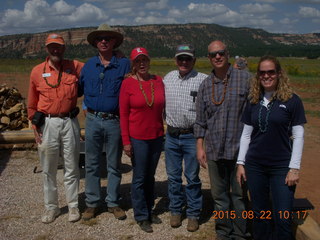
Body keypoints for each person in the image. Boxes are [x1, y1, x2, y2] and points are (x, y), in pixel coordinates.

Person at [236, 55, 306, 240]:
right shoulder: (253, 100)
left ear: (279, 74)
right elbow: (246, 135)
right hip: (255, 166)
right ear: (258, 75)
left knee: (282, 216)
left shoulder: (292, 101)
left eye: (271, 72)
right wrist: (241, 163)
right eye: (262, 72)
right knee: (260, 216)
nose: (266, 76)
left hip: (281, 167)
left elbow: (298, 136)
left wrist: (294, 168)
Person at [194, 40, 251, 239]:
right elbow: (200, 121)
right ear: (208, 58)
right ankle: (223, 232)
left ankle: (241, 234)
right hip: (214, 151)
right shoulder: (204, 86)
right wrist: (200, 146)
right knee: (220, 198)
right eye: (213, 54)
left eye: (221, 53)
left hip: (240, 152)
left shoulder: (245, 79)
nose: (217, 57)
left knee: (240, 197)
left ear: (227, 54)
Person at [27, 33, 84, 223]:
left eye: (58, 46)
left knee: (71, 165)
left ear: (64, 48)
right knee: (48, 168)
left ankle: (73, 206)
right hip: (47, 123)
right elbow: (31, 103)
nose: (55, 49)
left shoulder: (74, 66)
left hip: (69, 121)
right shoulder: (37, 71)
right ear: (46, 48)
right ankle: (51, 208)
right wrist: (34, 125)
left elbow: (95, 69)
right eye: (52, 46)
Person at [78, 24, 130, 221]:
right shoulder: (89, 65)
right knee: (91, 164)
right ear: (95, 42)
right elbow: (80, 88)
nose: (104, 41)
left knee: (114, 164)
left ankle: (113, 202)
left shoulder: (124, 64)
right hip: (92, 120)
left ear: (114, 42)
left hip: (114, 121)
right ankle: (92, 203)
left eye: (108, 38)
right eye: (100, 38)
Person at [119, 47, 165, 233]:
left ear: (149, 61)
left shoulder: (158, 81)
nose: (142, 64)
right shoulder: (128, 84)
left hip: (156, 136)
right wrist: (126, 141)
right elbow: (122, 115)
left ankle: (149, 209)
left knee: (150, 176)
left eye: (144, 60)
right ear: (133, 64)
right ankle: (141, 215)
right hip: (138, 138)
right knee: (139, 177)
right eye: (138, 61)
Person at [163, 44, 207, 232]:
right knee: (173, 177)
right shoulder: (168, 78)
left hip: (191, 136)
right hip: (171, 136)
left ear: (194, 61)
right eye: (180, 58)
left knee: (192, 177)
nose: (184, 62)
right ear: (175, 60)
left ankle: (193, 214)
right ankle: (175, 210)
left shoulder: (203, 80)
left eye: (187, 58)